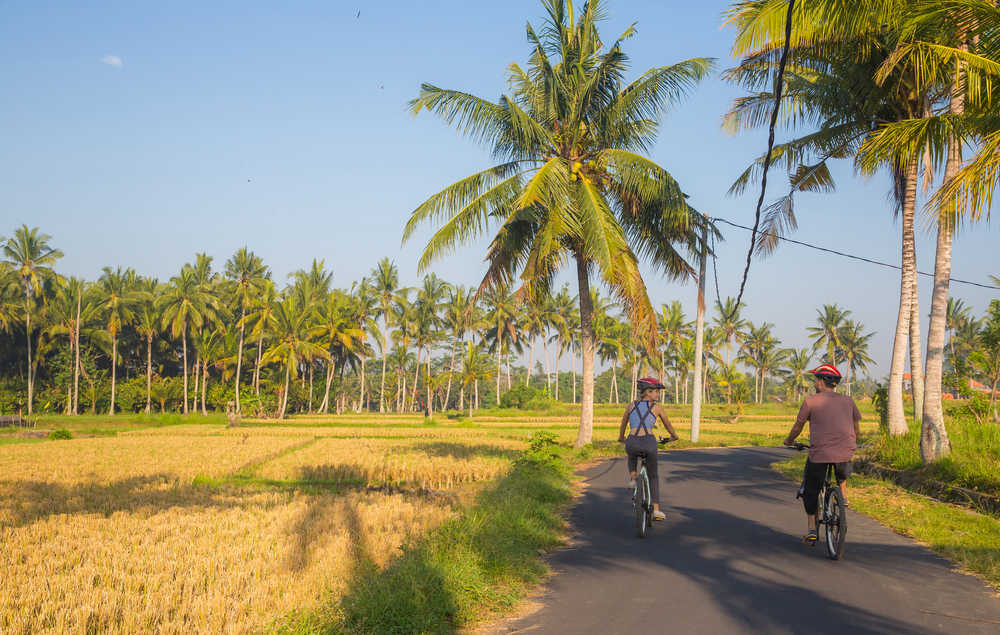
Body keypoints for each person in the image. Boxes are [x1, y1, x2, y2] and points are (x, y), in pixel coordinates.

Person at [783, 364, 862, 545]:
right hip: (845, 450)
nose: (815, 383)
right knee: (842, 462)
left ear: (820, 382)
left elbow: (798, 426)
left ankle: (812, 528)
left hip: (820, 452)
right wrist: (853, 443)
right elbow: (856, 428)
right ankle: (843, 495)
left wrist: (789, 441)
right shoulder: (848, 401)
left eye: (816, 379)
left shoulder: (811, 401)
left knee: (810, 490)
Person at [618, 377, 680, 521]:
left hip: (632, 441)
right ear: (647, 392)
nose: (658, 395)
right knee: (653, 476)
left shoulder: (631, 405)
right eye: (656, 392)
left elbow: (623, 423)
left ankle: (633, 478)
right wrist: (674, 436)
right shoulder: (657, 408)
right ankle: (656, 509)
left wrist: (621, 437)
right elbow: (668, 425)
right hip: (649, 442)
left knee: (631, 454)